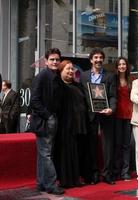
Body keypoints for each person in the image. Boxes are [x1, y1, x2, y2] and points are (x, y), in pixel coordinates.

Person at [30, 48, 64, 195]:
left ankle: (41, 183)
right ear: (46, 61)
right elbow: (34, 101)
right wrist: (48, 116)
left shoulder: (56, 76)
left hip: (52, 119)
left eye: (57, 59)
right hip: (44, 121)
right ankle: (50, 184)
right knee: (46, 154)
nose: (55, 62)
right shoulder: (41, 76)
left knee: (43, 153)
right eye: (52, 59)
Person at [81, 48, 117, 185]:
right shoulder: (83, 76)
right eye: (95, 57)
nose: (98, 60)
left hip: (106, 114)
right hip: (90, 115)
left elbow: (113, 95)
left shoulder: (110, 76)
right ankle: (94, 174)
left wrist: (111, 109)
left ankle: (107, 174)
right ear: (91, 60)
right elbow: (82, 96)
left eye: (101, 57)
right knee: (91, 145)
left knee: (107, 145)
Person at [54, 60, 89, 188]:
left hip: (80, 126)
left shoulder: (78, 85)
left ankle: (76, 178)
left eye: (72, 69)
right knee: (66, 154)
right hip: (65, 127)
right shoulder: (59, 86)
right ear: (61, 71)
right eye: (67, 69)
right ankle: (66, 180)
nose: (70, 71)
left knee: (78, 153)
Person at [113, 57, 133, 181]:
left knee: (126, 145)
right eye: (119, 64)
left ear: (127, 66)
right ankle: (116, 171)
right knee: (117, 144)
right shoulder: (113, 80)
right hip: (116, 116)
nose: (122, 66)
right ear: (117, 66)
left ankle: (125, 172)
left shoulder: (132, 80)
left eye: (124, 64)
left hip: (129, 115)